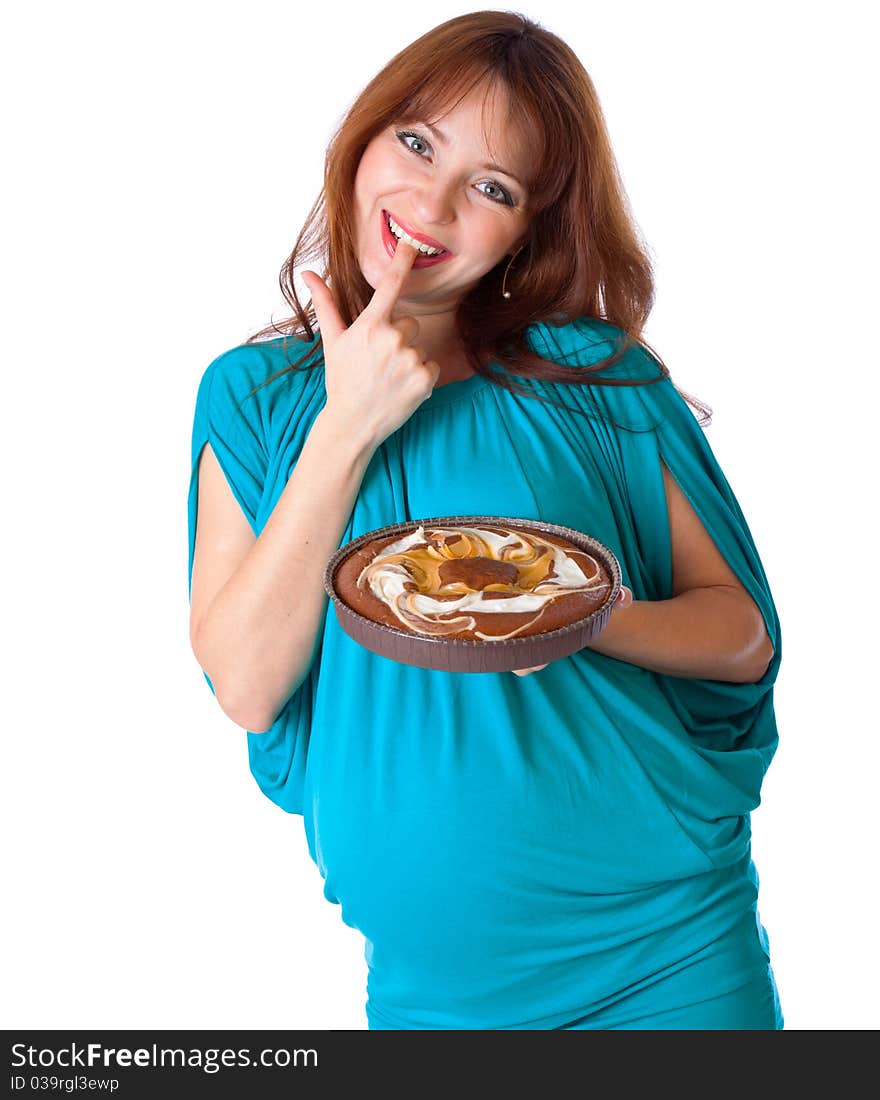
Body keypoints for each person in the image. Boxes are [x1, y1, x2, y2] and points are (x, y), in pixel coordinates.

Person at [187, 10, 783, 1030]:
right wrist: (348, 426)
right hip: (432, 1001)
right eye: (417, 142)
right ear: (364, 137)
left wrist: (573, 617)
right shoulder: (254, 396)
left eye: (492, 187)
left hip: (667, 959)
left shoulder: (596, 379)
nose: (431, 201)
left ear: (527, 229)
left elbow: (740, 635)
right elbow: (245, 683)